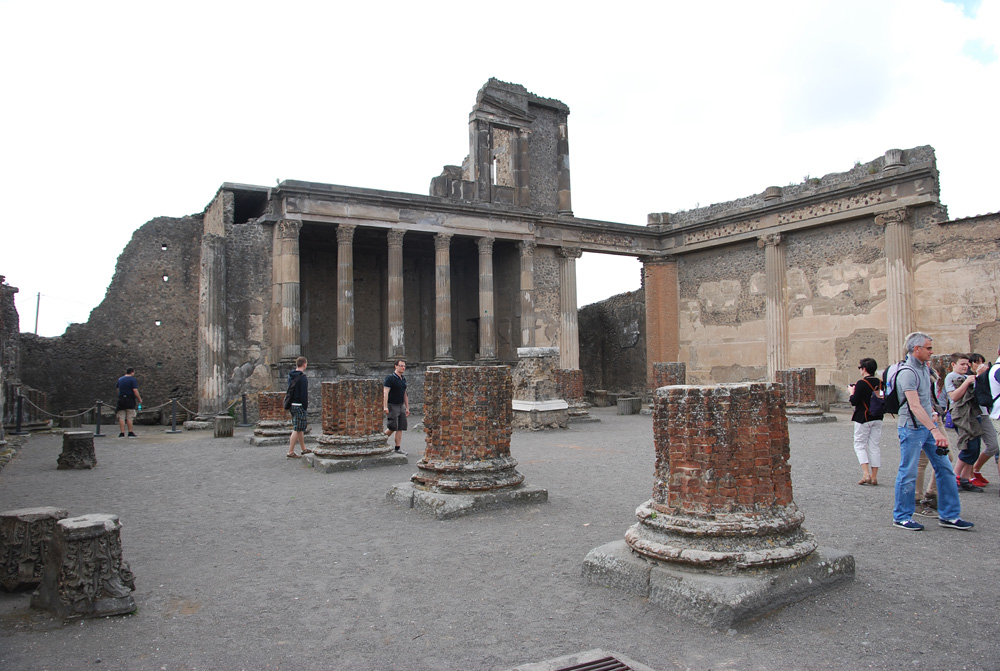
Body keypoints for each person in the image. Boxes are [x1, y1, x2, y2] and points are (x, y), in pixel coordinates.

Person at [891, 332, 973, 531]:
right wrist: (935, 431)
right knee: (908, 471)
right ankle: (901, 516)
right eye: (928, 348)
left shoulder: (925, 369)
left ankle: (950, 515)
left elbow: (926, 401)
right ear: (916, 349)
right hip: (912, 429)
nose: (932, 351)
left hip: (927, 427)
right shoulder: (908, 372)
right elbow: (914, 406)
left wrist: (934, 416)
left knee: (944, 467)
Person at [944, 353, 984, 491]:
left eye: (967, 364)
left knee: (975, 448)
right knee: (968, 446)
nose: (965, 367)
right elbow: (954, 397)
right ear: (953, 365)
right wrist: (967, 382)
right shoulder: (951, 377)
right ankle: (955, 476)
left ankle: (966, 479)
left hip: (972, 414)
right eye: (962, 364)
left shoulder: (968, 376)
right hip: (961, 415)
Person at [848, 358, 883, 485]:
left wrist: (851, 392)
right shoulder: (880, 382)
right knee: (874, 446)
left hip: (863, 417)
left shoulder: (862, 383)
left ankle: (866, 473)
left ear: (864, 369)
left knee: (859, 445)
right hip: (877, 417)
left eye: (860, 368)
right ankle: (874, 476)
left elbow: (854, 401)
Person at [968, 352, 999, 487]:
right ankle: (968, 475)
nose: (980, 364)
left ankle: (975, 469)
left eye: (982, 361)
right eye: (976, 362)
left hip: (986, 413)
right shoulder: (968, 377)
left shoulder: (988, 373)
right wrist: (978, 377)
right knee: (971, 447)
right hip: (972, 415)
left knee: (993, 446)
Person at [286, 357, 312, 458]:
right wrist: (305, 406)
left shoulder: (290, 375)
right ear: (304, 365)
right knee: (297, 429)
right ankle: (290, 452)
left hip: (292, 404)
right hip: (299, 405)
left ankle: (303, 449)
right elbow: (303, 394)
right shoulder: (303, 378)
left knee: (300, 427)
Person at [383, 359, 409, 456]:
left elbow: (405, 394)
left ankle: (397, 448)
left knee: (400, 427)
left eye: (404, 366)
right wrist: (385, 406)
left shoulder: (403, 379)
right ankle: (381, 441)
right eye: (401, 365)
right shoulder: (390, 378)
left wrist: (407, 407)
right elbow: (385, 392)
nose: (403, 368)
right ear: (396, 366)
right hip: (392, 404)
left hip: (400, 405)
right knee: (392, 426)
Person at [115, 367, 143, 437]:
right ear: (132, 372)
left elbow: (118, 389)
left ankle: (122, 432)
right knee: (130, 416)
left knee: (121, 417)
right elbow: (135, 390)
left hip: (121, 399)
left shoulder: (120, 379)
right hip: (129, 399)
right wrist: (139, 398)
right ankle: (130, 432)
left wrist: (120, 396)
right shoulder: (132, 380)